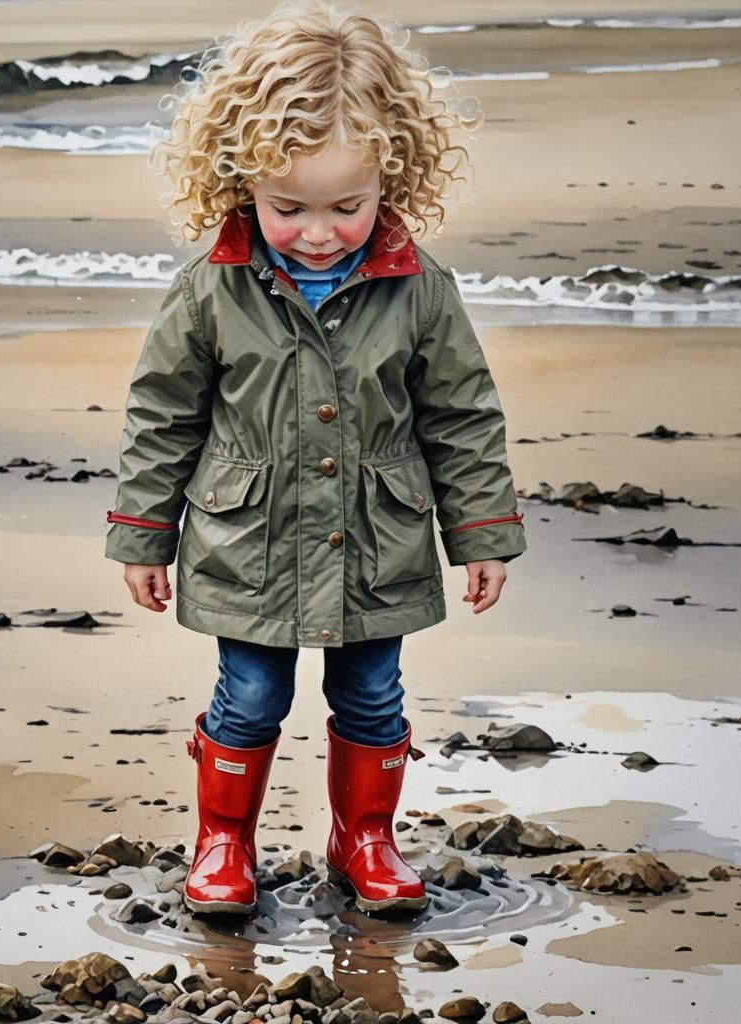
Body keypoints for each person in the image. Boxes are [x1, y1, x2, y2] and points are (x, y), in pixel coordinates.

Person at [104, 0, 527, 916]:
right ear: (242, 181)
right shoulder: (212, 286)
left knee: (373, 697)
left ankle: (364, 840)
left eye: (348, 205)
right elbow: (164, 413)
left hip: (379, 538)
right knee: (249, 697)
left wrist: (482, 532)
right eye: (288, 207)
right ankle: (223, 842)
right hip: (244, 541)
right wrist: (143, 533)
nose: (321, 230)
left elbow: (460, 415)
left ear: (393, 179)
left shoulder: (420, 287)